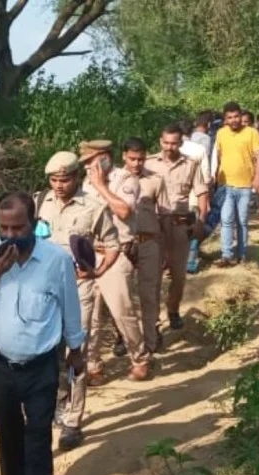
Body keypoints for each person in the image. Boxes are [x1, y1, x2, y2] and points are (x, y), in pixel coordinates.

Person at [0, 191, 85, 475]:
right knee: (8, 433)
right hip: (1, 365)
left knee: (39, 435)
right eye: (4, 228)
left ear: (34, 223)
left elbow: (70, 307)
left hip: (41, 365)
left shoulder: (56, 260)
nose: (10, 235)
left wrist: (76, 350)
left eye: (18, 228)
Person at [33, 151, 119, 450]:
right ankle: (53, 405)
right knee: (45, 352)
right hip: (44, 290)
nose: (58, 185)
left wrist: (98, 271)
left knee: (75, 352)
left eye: (64, 179)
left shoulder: (94, 207)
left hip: (78, 287)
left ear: (76, 178)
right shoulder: (38, 202)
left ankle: (72, 420)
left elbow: (113, 244)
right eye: (54, 180)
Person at [79, 140, 151, 381]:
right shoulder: (85, 182)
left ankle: (139, 358)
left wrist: (101, 186)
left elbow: (124, 211)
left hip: (118, 253)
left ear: (106, 157)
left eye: (92, 161)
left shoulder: (126, 180)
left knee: (122, 311)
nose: (89, 167)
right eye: (86, 163)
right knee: (90, 316)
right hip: (91, 253)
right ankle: (93, 366)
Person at [145, 124, 208, 330]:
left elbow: (201, 192)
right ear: (160, 142)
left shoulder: (190, 164)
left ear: (181, 143)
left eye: (174, 143)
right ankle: (153, 319)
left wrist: (201, 221)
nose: (169, 147)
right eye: (166, 143)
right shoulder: (148, 164)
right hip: (154, 226)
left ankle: (173, 310)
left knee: (179, 275)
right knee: (154, 275)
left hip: (179, 225)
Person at [122, 137, 170, 354]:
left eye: (140, 159)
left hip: (149, 242)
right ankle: (123, 338)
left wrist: (166, 248)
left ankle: (151, 339)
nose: (136, 163)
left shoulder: (155, 180)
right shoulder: (114, 180)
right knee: (122, 295)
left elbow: (164, 215)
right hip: (123, 244)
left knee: (149, 293)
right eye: (132, 159)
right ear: (124, 156)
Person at [212, 101, 259, 266]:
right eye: (230, 117)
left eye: (236, 116)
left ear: (241, 116)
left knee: (242, 220)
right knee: (226, 219)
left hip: (245, 185)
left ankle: (242, 254)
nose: (233, 120)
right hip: (226, 184)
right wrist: (214, 175)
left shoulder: (252, 133)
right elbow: (218, 156)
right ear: (225, 119)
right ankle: (226, 255)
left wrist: (258, 177)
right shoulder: (221, 133)